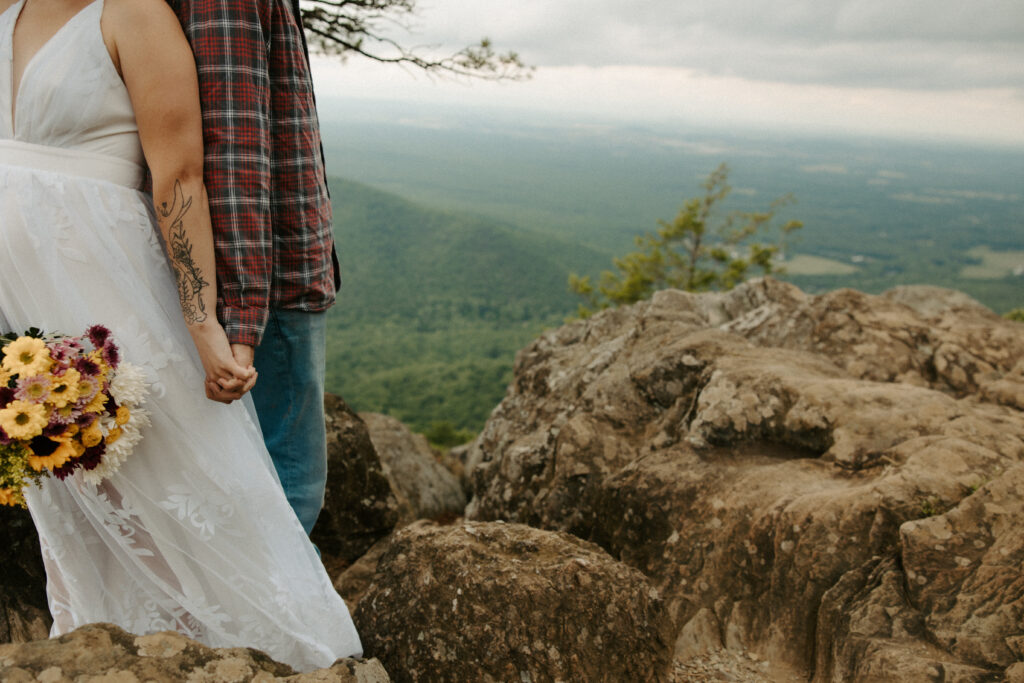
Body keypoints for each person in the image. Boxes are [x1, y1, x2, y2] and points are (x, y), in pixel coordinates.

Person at [0, 0, 361, 671]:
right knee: (82, 507)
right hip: (30, 313)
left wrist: (220, 324)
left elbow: (203, 167)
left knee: (225, 499)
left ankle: (260, 657)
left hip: (127, 295)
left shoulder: (137, 12)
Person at [168, 0, 338, 536]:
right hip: (268, 287)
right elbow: (232, 148)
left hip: (249, 283)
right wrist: (242, 321)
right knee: (287, 494)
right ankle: (276, 620)